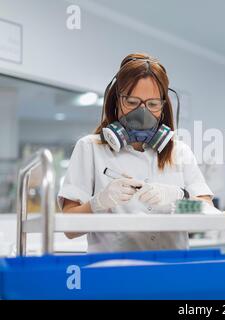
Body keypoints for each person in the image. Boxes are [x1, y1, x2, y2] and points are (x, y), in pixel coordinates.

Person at [57, 52, 213, 253]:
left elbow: (207, 210)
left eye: (153, 104)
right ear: (115, 101)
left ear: (164, 107)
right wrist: (98, 203)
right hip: (113, 274)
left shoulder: (179, 151)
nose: (142, 112)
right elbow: (69, 228)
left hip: (170, 273)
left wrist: (178, 199)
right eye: (131, 102)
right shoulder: (90, 148)